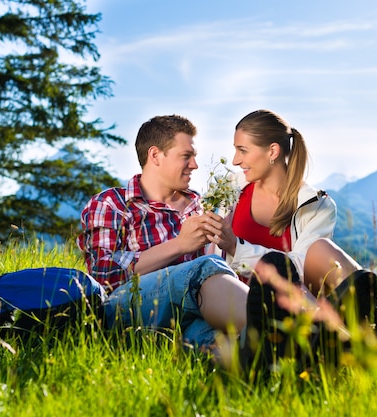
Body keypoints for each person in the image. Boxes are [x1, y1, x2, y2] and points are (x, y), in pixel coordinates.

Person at [207, 109, 377, 364]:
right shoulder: (230, 193)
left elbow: (296, 269)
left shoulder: (316, 204)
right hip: (246, 298)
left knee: (321, 248)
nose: (235, 160)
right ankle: (344, 340)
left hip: (301, 295)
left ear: (273, 152)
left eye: (242, 150)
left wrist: (236, 246)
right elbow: (211, 261)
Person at [77, 115, 249, 349]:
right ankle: (278, 328)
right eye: (186, 156)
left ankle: (289, 353)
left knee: (224, 343)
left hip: (186, 315)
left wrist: (229, 245)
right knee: (206, 266)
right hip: (126, 311)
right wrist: (179, 245)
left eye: (195, 157)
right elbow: (103, 278)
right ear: (155, 155)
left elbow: (215, 284)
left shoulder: (199, 206)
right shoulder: (112, 203)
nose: (195, 165)